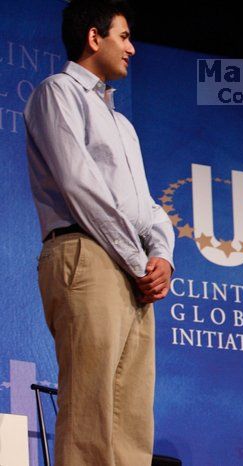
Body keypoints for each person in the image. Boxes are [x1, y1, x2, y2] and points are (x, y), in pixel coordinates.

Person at [23, 1, 174, 464]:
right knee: (90, 413)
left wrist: (162, 256)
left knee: (131, 420)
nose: (131, 48)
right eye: (124, 36)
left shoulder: (122, 123)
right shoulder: (58, 92)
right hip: (86, 256)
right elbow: (79, 185)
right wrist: (136, 260)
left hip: (130, 269)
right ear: (94, 37)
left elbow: (146, 205)